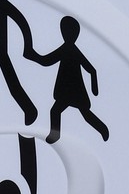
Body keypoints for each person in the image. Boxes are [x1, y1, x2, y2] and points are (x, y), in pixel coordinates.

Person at [32, 14, 109, 143]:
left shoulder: (69, 49)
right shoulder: (70, 49)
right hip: (70, 88)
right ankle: (56, 134)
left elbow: (46, 61)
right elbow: (91, 70)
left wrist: (33, 56)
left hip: (71, 88)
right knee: (62, 111)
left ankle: (102, 129)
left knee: (68, 112)